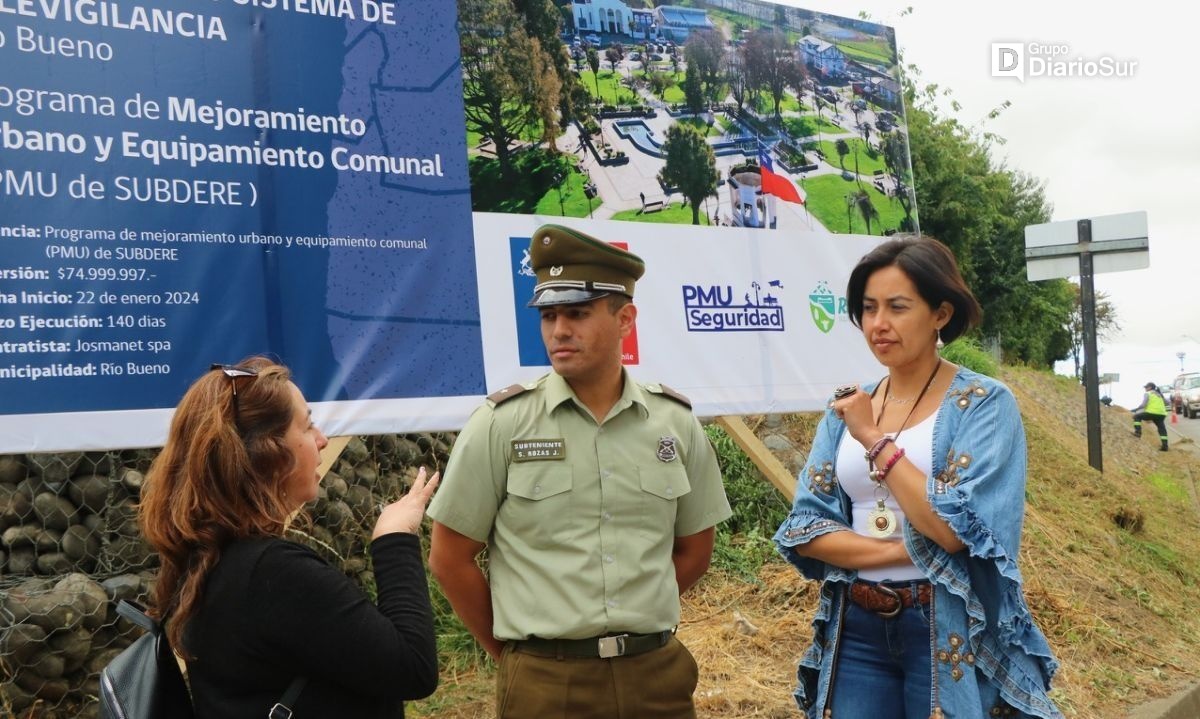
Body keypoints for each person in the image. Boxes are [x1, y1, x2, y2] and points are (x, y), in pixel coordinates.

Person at [428, 224, 732, 719]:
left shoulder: (673, 422)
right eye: (548, 316)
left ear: (625, 319)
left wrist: (635, 614)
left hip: (654, 675)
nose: (559, 330)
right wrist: (516, 656)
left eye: (577, 313)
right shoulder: (502, 424)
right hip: (547, 682)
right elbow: (449, 558)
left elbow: (695, 549)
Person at [773, 236, 1062, 718]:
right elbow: (808, 528)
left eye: (897, 307)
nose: (878, 324)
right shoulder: (847, 406)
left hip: (946, 623)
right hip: (857, 624)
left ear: (940, 314)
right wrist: (905, 549)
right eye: (868, 308)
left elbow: (955, 528)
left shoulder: (985, 404)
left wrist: (873, 438)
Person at [138, 357, 439, 718]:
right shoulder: (274, 574)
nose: (322, 440)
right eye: (308, 426)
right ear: (269, 450)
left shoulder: (210, 556)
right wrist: (394, 538)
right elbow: (413, 668)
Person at [1131, 381, 1169, 451]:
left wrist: (1135, 409)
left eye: (1146, 387)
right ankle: (1165, 446)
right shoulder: (1159, 394)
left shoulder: (1148, 393)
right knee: (1162, 429)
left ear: (1150, 387)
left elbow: (1143, 405)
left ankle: (1138, 432)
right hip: (1161, 414)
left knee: (1136, 416)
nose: (1145, 388)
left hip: (1151, 413)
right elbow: (1167, 403)